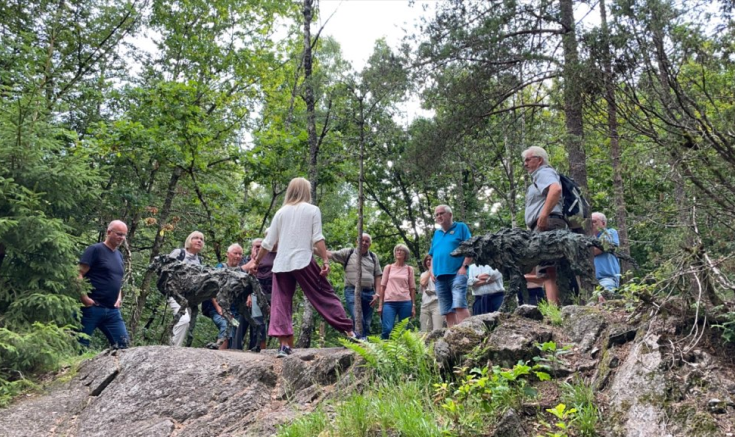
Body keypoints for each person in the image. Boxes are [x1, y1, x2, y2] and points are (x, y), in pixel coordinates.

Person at [249, 177, 359, 358]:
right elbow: (318, 237)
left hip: (282, 263)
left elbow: (268, 243)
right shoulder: (312, 210)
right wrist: (325, 260)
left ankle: (284, 346)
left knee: (280, 302)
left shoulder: (281, 212)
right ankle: (350, 333)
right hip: (303, 260)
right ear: (306, 191)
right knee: (324, 294)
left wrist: (256, 262)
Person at [522, 146, 567, 305]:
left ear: (539, 160)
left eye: (528, 159)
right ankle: (556, 308)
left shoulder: (543, 172)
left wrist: (543, 214)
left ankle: (554, 311)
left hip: (547, 224)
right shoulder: (539, 176)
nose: (525, 164)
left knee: (549, 270)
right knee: (548, 269)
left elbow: (555, 190)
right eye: (524, 161)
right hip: (544, 225)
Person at [78, 220, 130, 349]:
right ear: (108, 232)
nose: (121, 238)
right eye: (119, 234)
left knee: (123, 344)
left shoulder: (119, 255)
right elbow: (78, 274)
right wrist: (84, 298)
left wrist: (118, 298)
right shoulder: (95, 250)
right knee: (80, 345)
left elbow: (116, 279)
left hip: (112, 310)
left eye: (124, 235)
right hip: (92, 307)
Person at [328, 233, 382, 338]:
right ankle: (361, 342)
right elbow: (330, 254)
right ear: (357, 242)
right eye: (362, 240)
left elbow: (378, 276)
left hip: (369, 293)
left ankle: (357, 342)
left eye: (367, 241)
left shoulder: (373, 257)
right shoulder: (348, 253)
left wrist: (377, 294)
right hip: (351, 291)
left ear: (370, 244)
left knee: (366, 321)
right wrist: (312, 248)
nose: (364, 243)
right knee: (358, 318)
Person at [429, 204, 473, 328]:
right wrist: (431, 271)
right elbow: (432, 255)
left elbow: (470, 248)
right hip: (440, 277)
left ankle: (469, 334)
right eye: (437, 214)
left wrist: (464, 267)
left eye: (441, 213)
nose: (439, 216)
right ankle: (452, 338)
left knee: (459, 304)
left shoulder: (461, 227)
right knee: (447, 310)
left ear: (450, 214)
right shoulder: (436, 234)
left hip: (457, 273)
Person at [167, 231, 204, 347]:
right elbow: (166, 268)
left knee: (184, 323)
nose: (199, 241)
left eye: (201, 239)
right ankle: (174, 350)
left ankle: (172, 345)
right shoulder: (179, 253)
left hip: (190, 298)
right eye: (196, 238)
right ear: (189, 240)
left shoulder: (200, 260)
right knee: (184, 320)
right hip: (175, 293)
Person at [208, 243, 245, 350]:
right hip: (218, 309)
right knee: (225, 326)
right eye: (235, 253)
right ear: (228, 254)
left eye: (240, 254)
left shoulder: (241, 272)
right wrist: (219, 309)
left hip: (234, 312)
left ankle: (222, 354)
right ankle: (220, 355)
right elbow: (212, 290)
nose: (238, 256)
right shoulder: (219, 268)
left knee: (233, 328)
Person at [378, 244, 416, 339]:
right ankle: (384, 350)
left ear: (405, 254)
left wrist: (413, 306)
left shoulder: (409, 269)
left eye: (401, 250)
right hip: (389, 302)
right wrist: (380, 305)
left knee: (403, 330)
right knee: (387, 329)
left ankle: (401, 352)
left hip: (405, 302)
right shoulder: (388, 267)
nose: (398, 252)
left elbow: (412, 288)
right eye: (397, 250)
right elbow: (382, 286)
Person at [240, 237, 271, 352]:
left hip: (263, 298)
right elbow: (240, 275)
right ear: (252, 248)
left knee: (260, 326)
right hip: (244, 301)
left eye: (262, 246)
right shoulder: (244, 260)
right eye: (257, 246)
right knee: (240, 329)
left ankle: (258, 350)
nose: (259, 249)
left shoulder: (268, 261)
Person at [591, 212, 621, 291]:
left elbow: (597, 250)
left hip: (607, 279)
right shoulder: (587, 237)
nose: (590, 224)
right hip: (590, 281)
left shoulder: (610, 233)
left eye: (594, 221)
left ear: (603, 223)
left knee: (605, 301)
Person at [419, 255, 442, 332]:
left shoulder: (440, 272)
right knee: (425, 332)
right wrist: (430, 270)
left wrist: (433, 269)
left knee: (437, 331)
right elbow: (423, 283)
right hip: (425, 305)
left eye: (430, 260)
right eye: (427, 260)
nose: (428, 261)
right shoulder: (423, 274)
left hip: (437, 303)